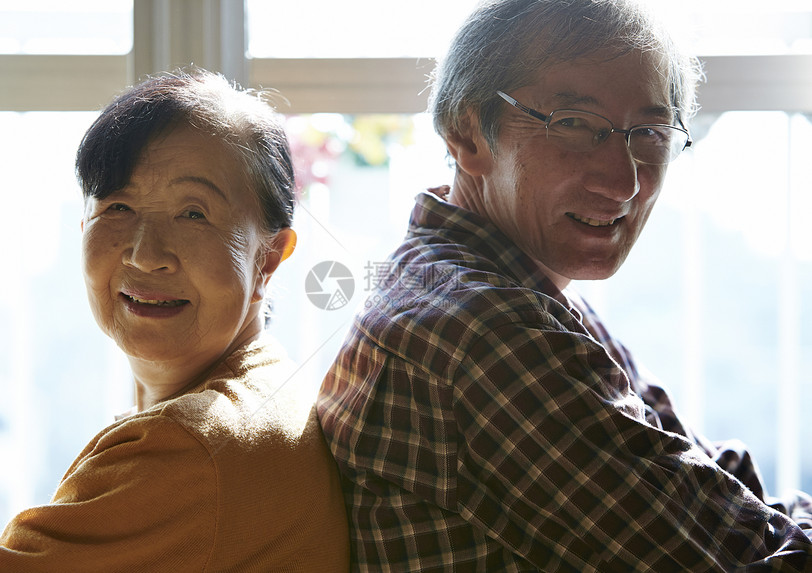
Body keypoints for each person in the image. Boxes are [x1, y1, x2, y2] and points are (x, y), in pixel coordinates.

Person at [317, 0, 812, 570]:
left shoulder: (495, 282)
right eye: (576, 125)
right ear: (468, 134)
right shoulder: (487, 332)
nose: (625, 182)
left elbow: (704, 479)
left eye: (649, 132)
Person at [0, 69, 349, 571]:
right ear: (83, 228)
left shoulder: (191, 449)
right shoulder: (267, 388)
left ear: (268, 258)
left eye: (193, 214)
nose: (145, 255)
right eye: (117, 207)